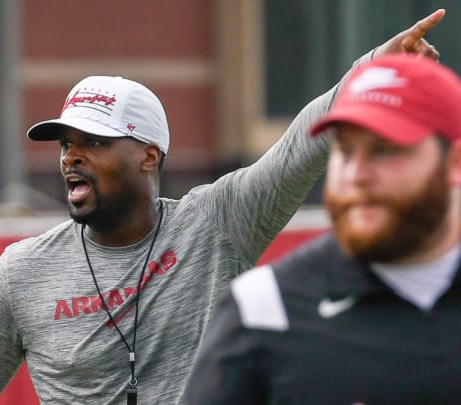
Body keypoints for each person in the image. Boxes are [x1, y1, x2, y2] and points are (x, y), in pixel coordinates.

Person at [0, 10, 445, 405]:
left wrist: (374, 70)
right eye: (65, 144)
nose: (72, 156)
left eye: (93, 143)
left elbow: (298, 147)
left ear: (148, 156)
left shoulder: (217, 223)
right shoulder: (21, 275)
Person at [183, 46, 461, 404]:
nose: (356, 175)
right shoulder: (264, 310)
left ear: (454, 164)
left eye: (385, 150)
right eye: (345, 150)